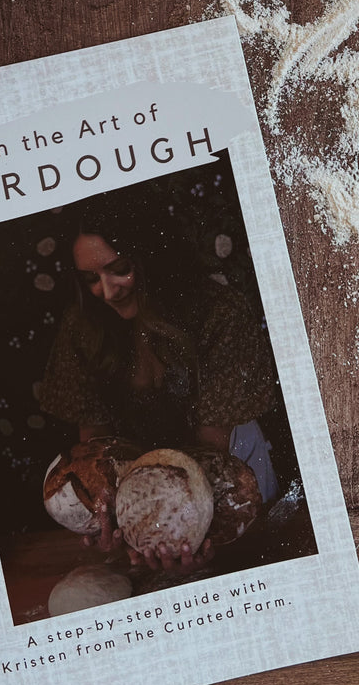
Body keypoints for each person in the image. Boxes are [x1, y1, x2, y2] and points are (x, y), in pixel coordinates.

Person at [40, 194, 280, 569]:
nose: (107, 290)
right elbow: (94, 452)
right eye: (90, 279)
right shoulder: (82, 325)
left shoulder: (220, 313)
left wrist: (181, 527)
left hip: (223, 469)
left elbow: (210, 445)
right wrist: (110, 514)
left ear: (150, 255)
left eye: (119, 268)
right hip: (140, 480)